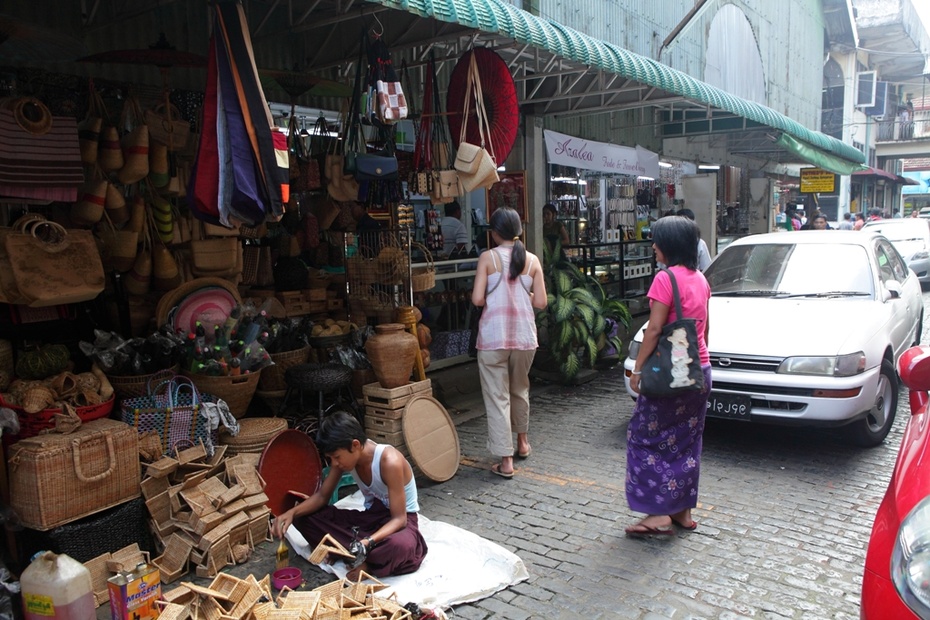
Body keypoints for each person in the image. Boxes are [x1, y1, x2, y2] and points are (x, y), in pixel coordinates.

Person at [625, 215, 711, 537]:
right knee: (687, 443)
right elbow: (705, 329)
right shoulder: (701, 279)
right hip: (699, 371)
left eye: (657, 240)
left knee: (644, 439)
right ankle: (682, 512)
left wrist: (638, 368)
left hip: (671, 376)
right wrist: (699, 367)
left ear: (669, 245)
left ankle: (657, 514)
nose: (653, 246)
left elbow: (655, 330)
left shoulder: (664, 279)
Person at [270, 411, 428, 579]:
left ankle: (365, 562)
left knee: (401, 547)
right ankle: (352, 552)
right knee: (304, 517)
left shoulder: (389, 461)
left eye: (337, 457)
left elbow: (399, 519)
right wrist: (291, 513)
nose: (335, 463)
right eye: (331, 458)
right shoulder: (344, 460)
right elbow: (322, 496)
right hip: (370, 520)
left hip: (399, 523)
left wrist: (367, 542)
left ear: (355, 445)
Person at [472, 207, 547, 479]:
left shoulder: (487, 258)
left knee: (498, 397)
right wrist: (521, 294)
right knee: (520, 389)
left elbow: (478, 299)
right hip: (524, 338)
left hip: (494, 337)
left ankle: (506, 461)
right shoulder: (532, 260)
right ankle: (523, 443)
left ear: (494, 233)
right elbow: (540, 302)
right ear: (519, 231)